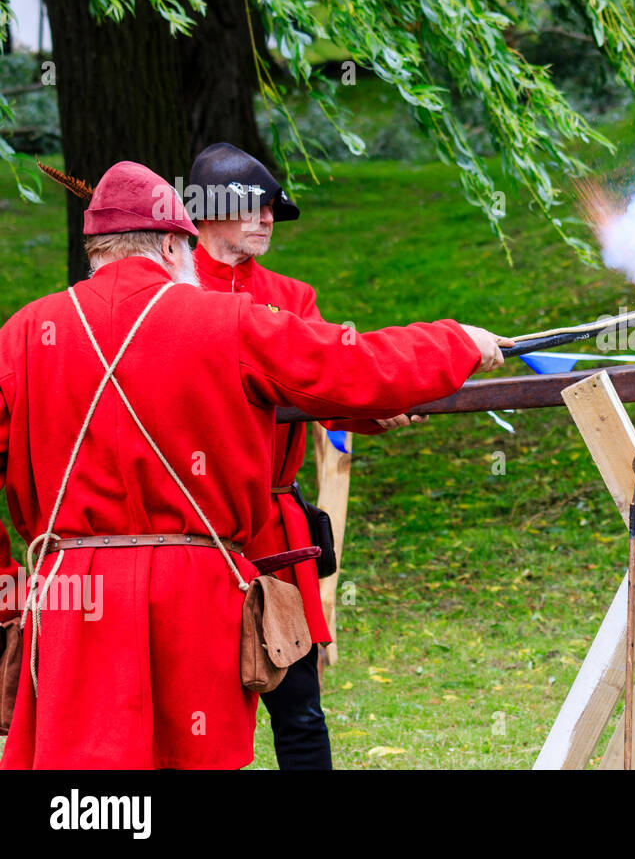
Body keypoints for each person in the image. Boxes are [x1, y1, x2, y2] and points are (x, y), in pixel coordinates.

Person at [0, 161, 509, 769]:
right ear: (172, 243)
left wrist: (9, 591)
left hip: (72, 600)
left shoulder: (25, 333)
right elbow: (354, 365)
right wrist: (457, 342)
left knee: (86, 789)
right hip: (191, 592)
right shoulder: (226, 322)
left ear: (97, 250)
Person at [188, 141, 418, 769]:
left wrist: (380, 406)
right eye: (254, 207)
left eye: (272, 209)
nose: (267, 218)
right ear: (205, 213)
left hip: (271, 529)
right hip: (192, 529)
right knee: (192, 713)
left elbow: (328, 383)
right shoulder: (173, 295)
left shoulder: (292, 297)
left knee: (300, 707)